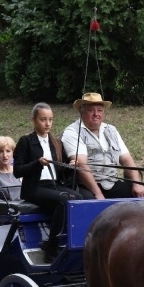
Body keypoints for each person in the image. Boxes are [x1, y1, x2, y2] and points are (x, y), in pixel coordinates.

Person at [14, 103, 84, 262]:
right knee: (64, 199)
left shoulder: (56, 142)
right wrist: (37, 163)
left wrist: (71, 166)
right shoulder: (25, 141)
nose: (47, 124)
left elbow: (62, 170)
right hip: (34, 187)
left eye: (50, 120)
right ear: (33, 120)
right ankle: (52, 246)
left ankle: (72, 243)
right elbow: (17, 170)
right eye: (43, 119)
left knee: (78, 197)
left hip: (54, 185)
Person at [61, 92, 144, 199]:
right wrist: (98, 194)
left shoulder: (112, 130)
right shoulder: (73, 131)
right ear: (81, 111)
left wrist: (137, 184)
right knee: (90, 202)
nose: (96, 114)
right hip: (86, 186)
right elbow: (81, 166)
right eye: (90, 110)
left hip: (111, 183)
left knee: (141, 198)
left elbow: (126, 160)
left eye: (99, 110)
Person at [0, 135, 21, 204]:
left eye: (8, 151)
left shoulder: (20, 170)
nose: (5, 155)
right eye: (1, 152)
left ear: (13, 153)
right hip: (6, 212)